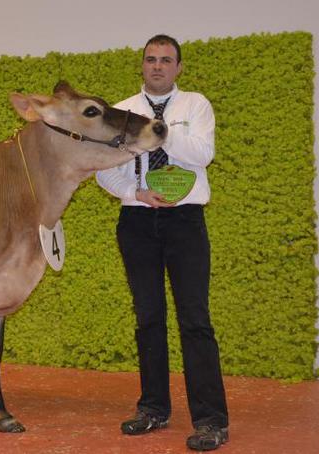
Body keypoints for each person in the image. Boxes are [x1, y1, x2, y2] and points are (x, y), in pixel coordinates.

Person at [96, 34, 229, 451]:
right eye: (151, 59)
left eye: (166, 60)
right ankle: (153, 408)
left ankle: (210, 421)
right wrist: (136, 194)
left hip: (185, 221)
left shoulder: (196, 105)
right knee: (148, 318)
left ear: (178, 68)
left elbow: (202, 155)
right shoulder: (122, 112)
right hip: (137, 220)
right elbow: (105, 169)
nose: (157, 66)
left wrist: (160, 132)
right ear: (142, 65)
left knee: (195, 320)